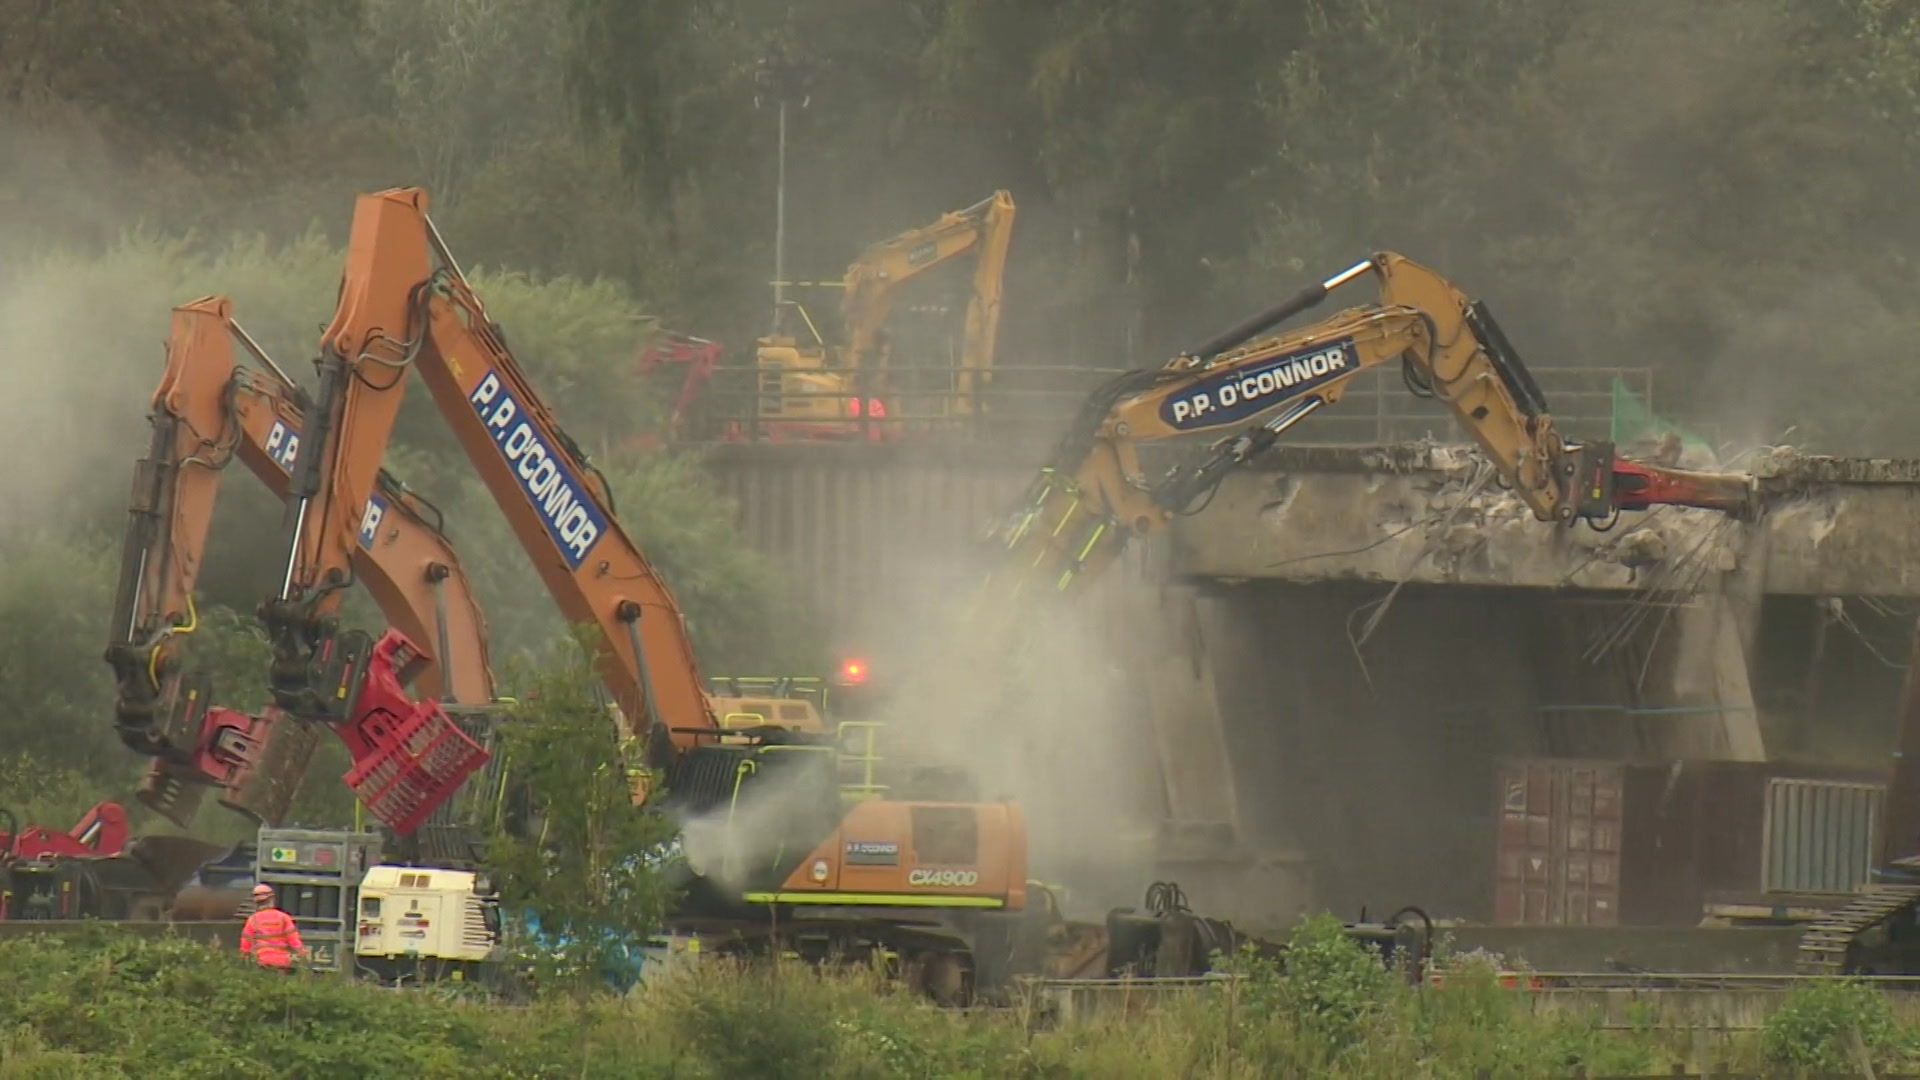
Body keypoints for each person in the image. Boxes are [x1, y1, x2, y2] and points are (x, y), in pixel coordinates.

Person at [239, 883, 307, 973]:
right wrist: (303, 954)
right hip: (283, 964)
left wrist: (243, 958)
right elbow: (294, 941)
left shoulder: (253, 919)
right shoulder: (283, 917)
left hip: (262, 964)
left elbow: (245, 944)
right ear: (272, 898)